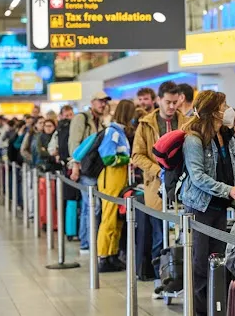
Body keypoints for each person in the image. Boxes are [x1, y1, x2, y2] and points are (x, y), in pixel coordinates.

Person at [180, 90, 235, 316]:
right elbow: (197, 177)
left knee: (218, 260)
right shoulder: (194, 139)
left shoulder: (226, 135)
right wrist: (228, 190)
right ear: (213, 111)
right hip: (200, 207)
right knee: (199, 264)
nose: (228, 109)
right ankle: (199, 311)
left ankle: (216, 307)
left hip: (220, 207)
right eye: (224, 105)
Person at [131, 80, 186, 298]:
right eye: (168, 102)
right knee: (158, 237)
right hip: (155, 188)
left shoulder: (186, 122)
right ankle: (160, 280)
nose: (172, 106)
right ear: (159, 100)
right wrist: (158, 170)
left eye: (175, 102)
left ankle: (180, 280)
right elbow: (137, 155)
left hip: (182, 187)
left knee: (182, 237)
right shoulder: (145, 124)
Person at [96, 100, 137, 272]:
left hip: (119, 178)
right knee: (109, 218)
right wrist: (128, 160)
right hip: (111, 178)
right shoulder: (113, 132)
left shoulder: (119, 132)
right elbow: (107, 158)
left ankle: (112, 254)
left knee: (117, 218)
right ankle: (103, 256)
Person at [69, 91, 111, 254]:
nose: (103, 104)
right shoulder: (81, 119)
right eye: (100, 101)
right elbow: (75, 143)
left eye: (104, 102)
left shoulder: (99, 121)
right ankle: (87, 243)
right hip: (84, 168)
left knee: (89, 206)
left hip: (94, 168)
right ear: (92, 102)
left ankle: (86, 241)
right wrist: (75, 166)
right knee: (93, 206)